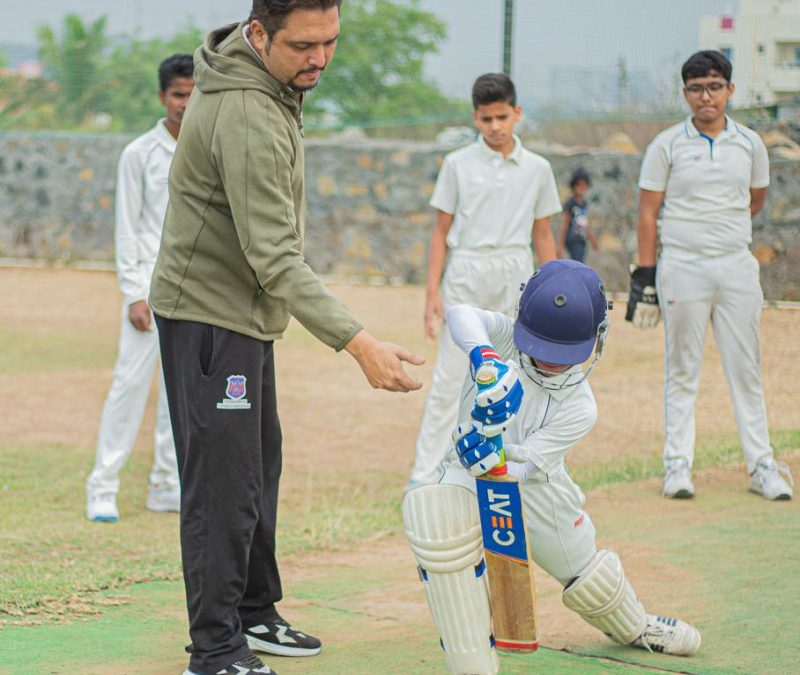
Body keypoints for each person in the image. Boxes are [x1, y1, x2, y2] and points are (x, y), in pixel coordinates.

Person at [148, 3, 424, 675]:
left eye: (331, 41)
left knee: (257, 466)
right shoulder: (246, 113)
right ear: (260, 33)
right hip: (211, 317)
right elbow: (275, 256)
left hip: (243, 315)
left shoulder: (270, 85)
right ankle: (215, 650)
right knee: (223, 486)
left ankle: (253, 610)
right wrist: (360, 344)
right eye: (304, 44)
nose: (320, 58)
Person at [403, 260, 701, 674]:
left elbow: (525, 470)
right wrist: (484, 357)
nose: (549, 363)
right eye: (541, 351)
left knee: (587, 574)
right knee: (435, 518)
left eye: (562, 356)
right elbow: (461, 314)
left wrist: (500, 459)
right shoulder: (506, 340)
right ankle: (472, 666)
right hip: (465, 473)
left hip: (536, 483)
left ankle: (636, 627)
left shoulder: (581, 407)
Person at [629, 50, 793, 501]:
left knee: (747, 369)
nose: (707, 97)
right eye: (697, 88)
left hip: (735, 264)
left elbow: (754, 200)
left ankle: (761, 466)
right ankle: (677, 465)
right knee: (682, 367)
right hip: (682, 264)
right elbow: (647, 212)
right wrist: (645, 276)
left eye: (715, 87)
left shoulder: (749, 144)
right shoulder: (666, 145)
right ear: (685, 94)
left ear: (730, 90)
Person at [409, 72, 561, 488]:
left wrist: (554, 293)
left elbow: (543, 234)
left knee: (515, 372)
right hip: (466, 270)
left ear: (517, 113)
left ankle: (507, 469)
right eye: (485, 119)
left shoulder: (537, 168)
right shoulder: (457, 164)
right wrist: (432, 295)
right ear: (475, 118)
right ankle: (426, 476)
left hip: (515, 271)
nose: (495, 127)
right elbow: (440, 231)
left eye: (501, 117)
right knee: (451, 375)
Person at [85, 54, 195, 523]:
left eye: (194, 95)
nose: (185, 105)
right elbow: (127, 227)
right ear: (161, 96)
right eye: (177, 95)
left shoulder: (205, 150)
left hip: (192, 293)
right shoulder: (139, 154)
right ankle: (102, 486)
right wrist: (133, 291)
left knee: (179, 393)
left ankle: (165, 484)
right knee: (128, 387)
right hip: (148, 293)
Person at [558, 167, 599, 263]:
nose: (582, 188)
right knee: (577, 263)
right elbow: (565, 223)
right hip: (572, 239)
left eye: (584, 185)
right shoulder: (570, 203)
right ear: (574, 186)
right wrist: (560, 244)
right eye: (579, 185)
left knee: (581, 262)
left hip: (581, 239)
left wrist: (593, 240)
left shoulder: (583, 203)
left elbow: (585, 223)